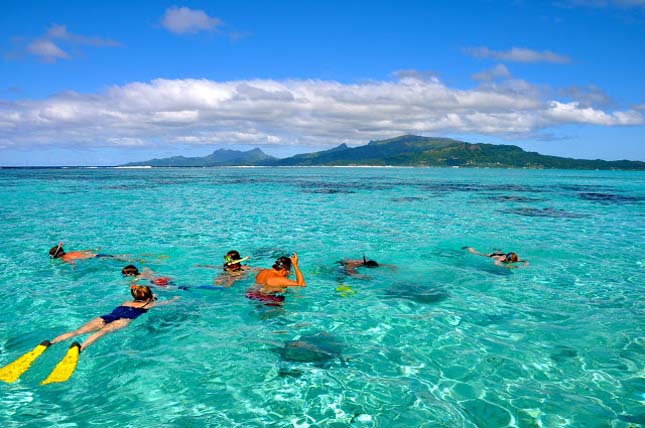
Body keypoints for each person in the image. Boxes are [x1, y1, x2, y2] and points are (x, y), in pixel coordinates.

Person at [0, 285, 178, 384]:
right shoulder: (148, 305)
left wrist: (146, 295)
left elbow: (138, 298)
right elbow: (164, 303)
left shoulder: (125, 301)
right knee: (103, 333)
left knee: (79, 331)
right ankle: (80, 348)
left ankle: (49, 343)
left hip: (107, 316)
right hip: (122, 320)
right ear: (147, 298)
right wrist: (173, 299)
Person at [49, 242, 114, 264]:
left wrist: (73, 268)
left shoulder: (64, 258)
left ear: (58, 254)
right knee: (116, 257)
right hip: (97, 255)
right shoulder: (71, 252)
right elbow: (84, 251)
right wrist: (94, 249)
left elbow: (72, 263)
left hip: (95, 258)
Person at [462, 246, 529, 267]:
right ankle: (469, 247)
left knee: (500, 252)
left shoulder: (515, 259)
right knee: (477, 253)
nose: (513, 261)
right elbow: (496, 263)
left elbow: (525, 261)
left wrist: (525, 265)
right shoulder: (501, 259)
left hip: (503, 254)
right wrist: (507, 266)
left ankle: (497, 250)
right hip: (493, 255)